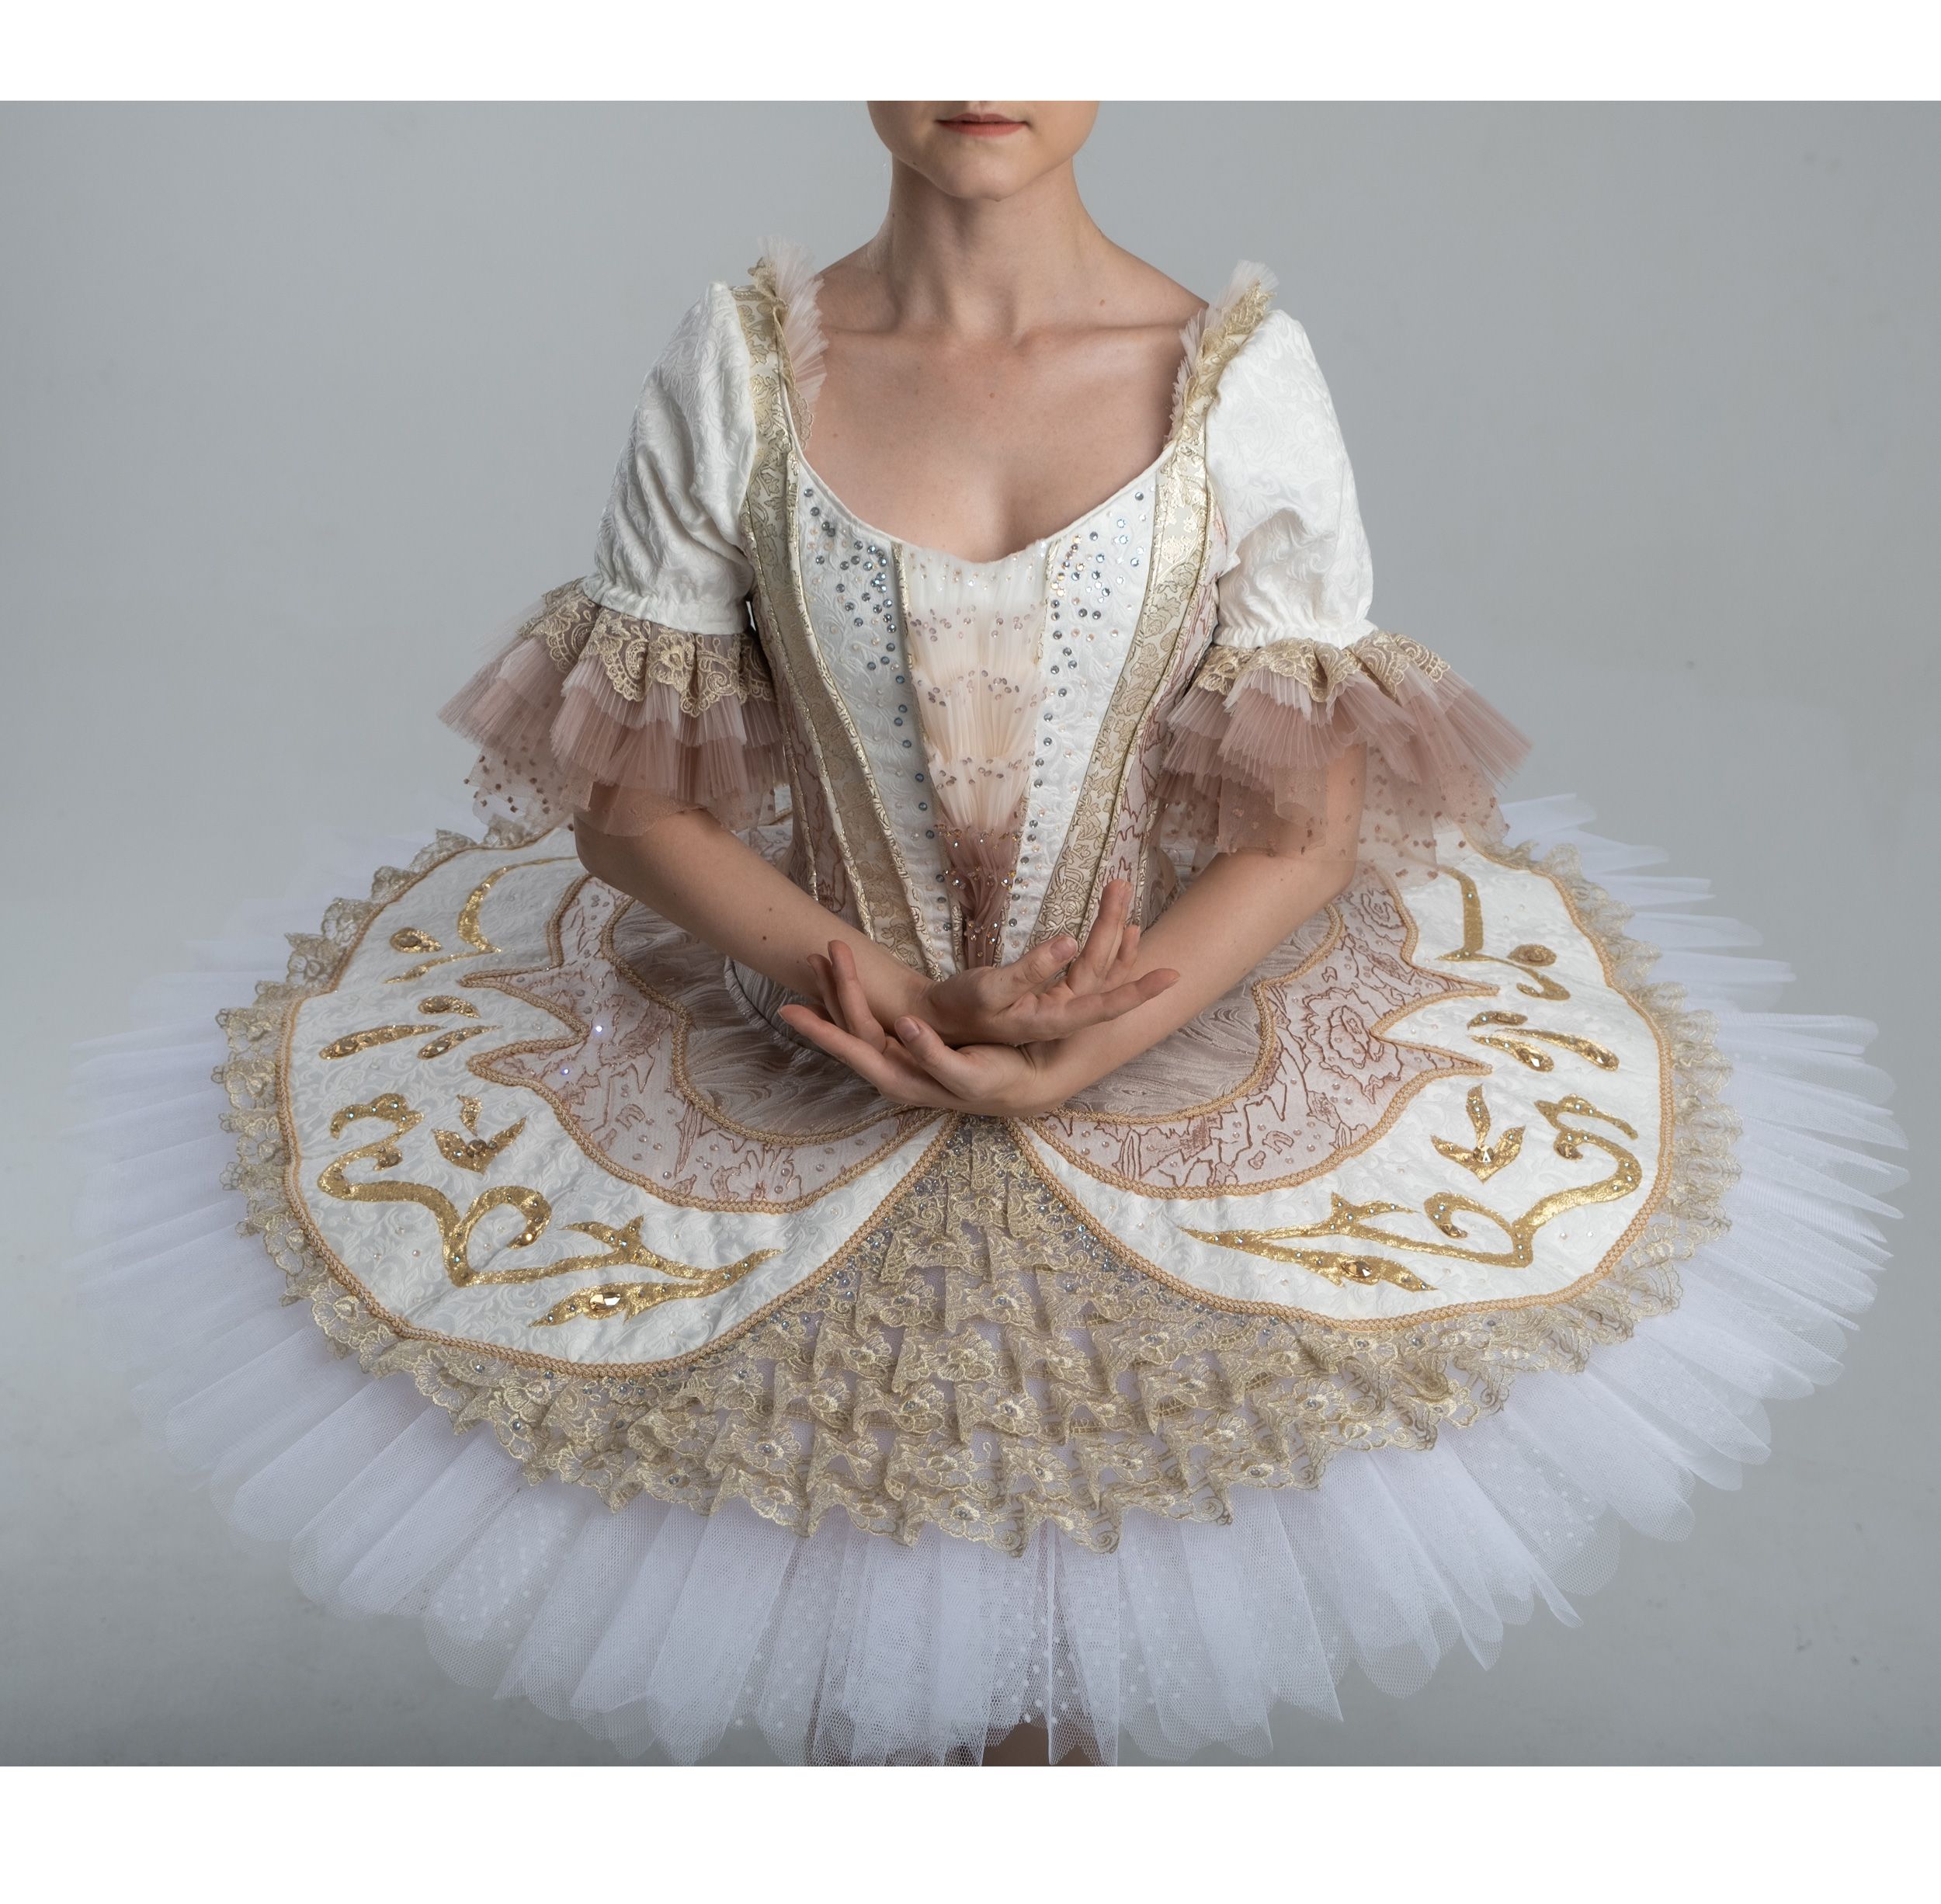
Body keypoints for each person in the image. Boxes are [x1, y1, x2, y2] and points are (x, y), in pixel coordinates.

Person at [79, 102, 1899, 1765]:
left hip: (1157, 1062)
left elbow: (1299, 829)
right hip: (804, 1050)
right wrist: (858, 980)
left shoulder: (1236, 380)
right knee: (861, 1683)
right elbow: (628, 810)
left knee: (1047, 1702)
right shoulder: (739, 366)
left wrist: (1103, 1028)